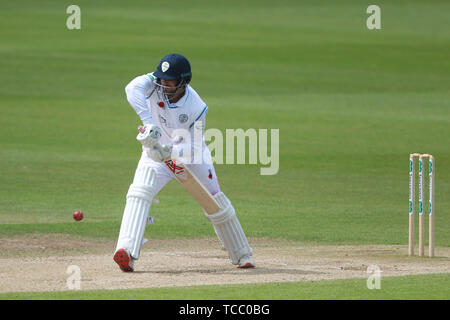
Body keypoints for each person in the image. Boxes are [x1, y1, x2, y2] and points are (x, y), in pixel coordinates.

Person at [113, 53, 255, 272]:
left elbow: (194, 147)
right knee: (139, 193)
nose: (163, 84)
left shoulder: (196, 107)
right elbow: (131, 88)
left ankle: (242, 254)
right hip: (154, 155)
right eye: (161, 79)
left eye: (169, 81)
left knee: (214, 202)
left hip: (190, 156)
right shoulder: (153, 83)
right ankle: (126, 252)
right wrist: (150, 124)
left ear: (183, 82)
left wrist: (169, 151)